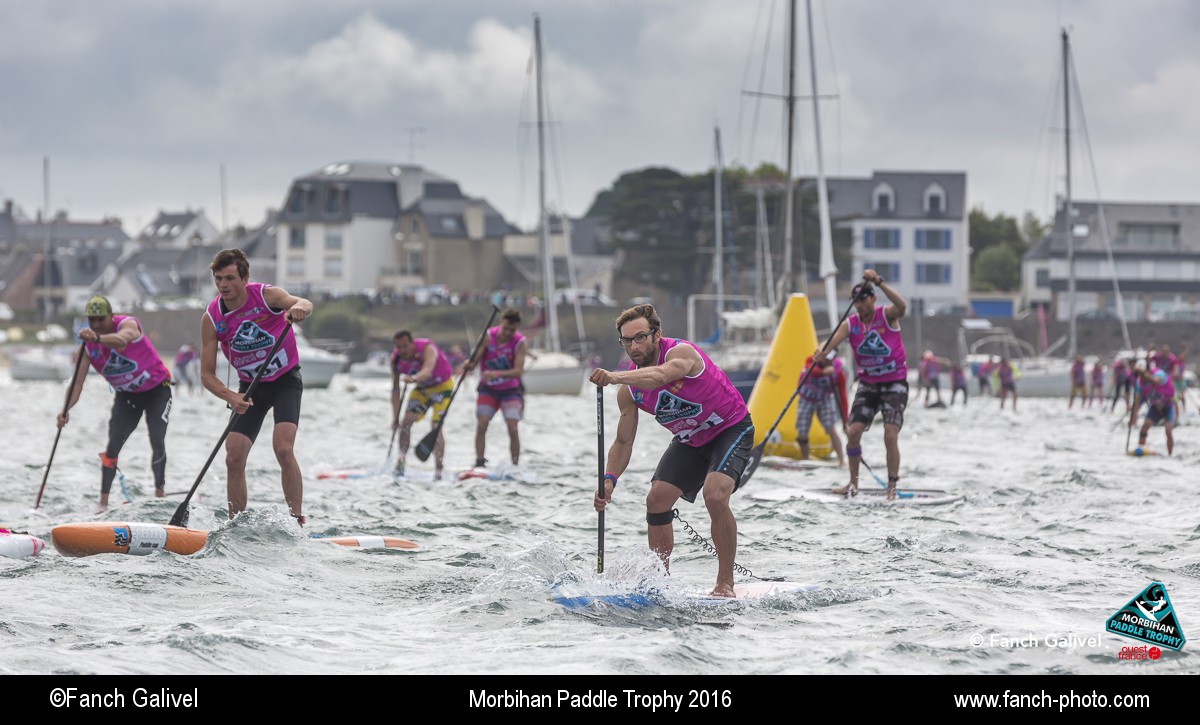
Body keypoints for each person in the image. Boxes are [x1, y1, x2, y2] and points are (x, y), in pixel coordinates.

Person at [590, 304, 753, 598]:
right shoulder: (629, 391)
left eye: (640, 337)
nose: (634, 347)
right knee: (656, 499)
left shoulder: (681, 354)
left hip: (730, 429)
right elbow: (624, 442)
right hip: (690, 440)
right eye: (627, 341)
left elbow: (660, 376)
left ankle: (725, 583)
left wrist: (615, 377)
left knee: (715, 495)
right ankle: (660, 583)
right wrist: (609, 479)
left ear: (657, 334)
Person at [200, 248, 312, 524]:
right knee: (233, 457)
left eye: (229, 278)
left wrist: (298, 309)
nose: (223, 285)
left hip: (285, 381)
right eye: (218, 279)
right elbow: (206, 375)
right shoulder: (211, 318)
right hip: (250, 389)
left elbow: (304, 302)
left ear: (244, 278)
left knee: (283, 448)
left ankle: (296, 520)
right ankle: (236, 525)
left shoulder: (266, 296)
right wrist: (231, 396)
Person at [58, 295, 173, 513]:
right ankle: (102, 503)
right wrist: (65, 411)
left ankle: (160, 494)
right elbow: (77, 385)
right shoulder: (87, 349)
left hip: (158, 392)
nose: (96, 324)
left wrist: (97, 338)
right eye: (91, 320)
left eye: (100, 319)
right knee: (112, 447)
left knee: (157, 439)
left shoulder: (127, 324)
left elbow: (121, 340)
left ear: (111, 316)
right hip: (127, 397)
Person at [813, 269, 908, 500]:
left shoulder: (887, 315)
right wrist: (822, 352)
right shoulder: (850, 324)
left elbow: (902, 306)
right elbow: (830, 344)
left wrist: (879, 282)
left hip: (894, 383)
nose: (859, 305)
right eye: (855, 301)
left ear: (873, 299)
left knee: (890, 435)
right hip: (868, 384)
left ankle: (891, 487)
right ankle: (853, 484)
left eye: (863, 300)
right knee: (853, 432)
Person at [465, 308, 527, 468]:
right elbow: (474, 361)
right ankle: (479, 462)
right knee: (482, 424)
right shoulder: (488, 336)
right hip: (488, 390)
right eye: (505, 328)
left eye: (512, 330)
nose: (508, 332)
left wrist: (496, 373)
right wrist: (469, 365)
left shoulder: (520, 342)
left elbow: (518, 371)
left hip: (510, 391)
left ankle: (514, 466)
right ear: (501, 323)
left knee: (513, 429)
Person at [391, 330, 455, 479]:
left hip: (442, 388)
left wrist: (413, 378)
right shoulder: (395, 360)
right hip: (423, 389)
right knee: (405, 423)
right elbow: (395, 391)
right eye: (399, 347)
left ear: (412, 343)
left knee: (436, 427)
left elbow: (427, 371)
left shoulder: (427, 348)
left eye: (405, 346)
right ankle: (401, 463)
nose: (402, 351)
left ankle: (439, 470)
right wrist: (395, 418)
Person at [793, 353, 847, 466]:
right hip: (806, 399)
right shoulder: (811, 361)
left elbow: (843, 397)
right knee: (802, 432)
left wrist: (845, 422)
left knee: (831, 428)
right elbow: (811, 370)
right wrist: (823, 372)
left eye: (828, 357)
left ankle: (841, 460)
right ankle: (805, 458)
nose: (824, 359)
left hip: (825, 399)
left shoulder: (838, 372)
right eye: (822, 356)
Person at [1130, 368, 1175, 456]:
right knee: (1145, 425)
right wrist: (1133, 418)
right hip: (1155, 407)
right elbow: (1137, 402)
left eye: (1143, 376)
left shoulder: (1159, 373)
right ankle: (1140, 450)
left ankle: (1170, 455)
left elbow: (1156, 381)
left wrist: (1143, 373)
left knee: (1168, 430)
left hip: (1168, 406)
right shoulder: (1141, 385)